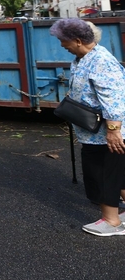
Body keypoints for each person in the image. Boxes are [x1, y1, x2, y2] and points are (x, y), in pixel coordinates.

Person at [50, 18, 125, 236]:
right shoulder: (82, 58)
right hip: (92, 132)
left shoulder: (100, 61)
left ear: (78, 40)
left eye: (64, 41)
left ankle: (111, 222)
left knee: (105, 174)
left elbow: (113, 98)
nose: (62, 45)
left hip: (106, 133)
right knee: (116, 173)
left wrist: (113, 131)